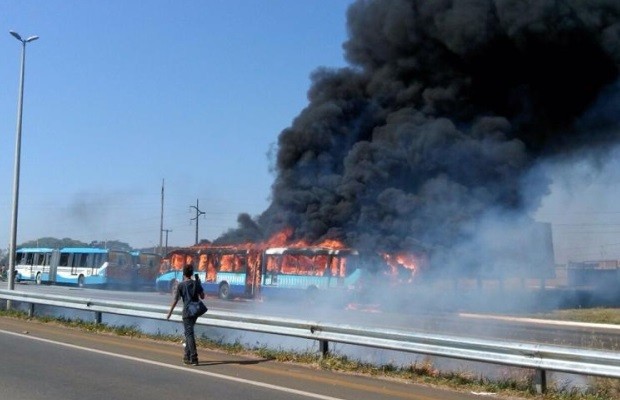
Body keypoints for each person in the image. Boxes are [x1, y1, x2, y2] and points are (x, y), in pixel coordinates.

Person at [166, 264, 205, 365]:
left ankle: (194, 357)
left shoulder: (181, 285)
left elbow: (175, 300)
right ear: (192, 273)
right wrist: (199, 284)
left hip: (187, 312)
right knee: (189, 333)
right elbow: (203, 296)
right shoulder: (196, 283)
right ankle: (186, 356)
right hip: (195, 312)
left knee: (189, 334)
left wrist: (169, 313)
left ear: (183, 274)